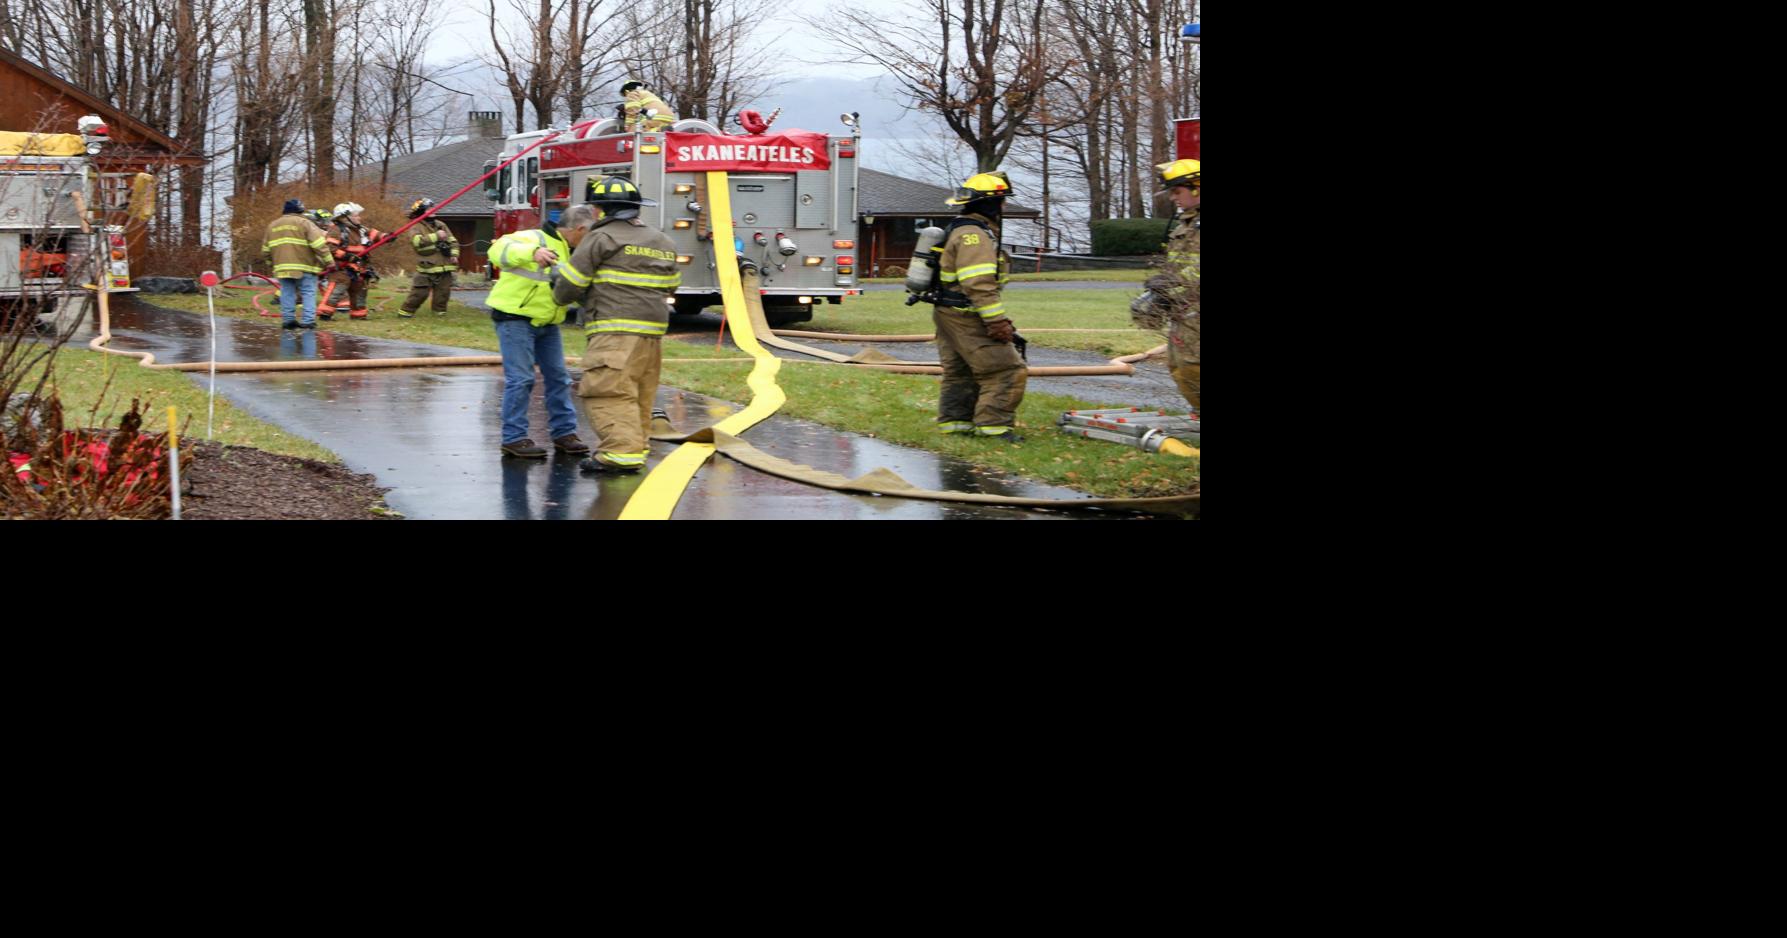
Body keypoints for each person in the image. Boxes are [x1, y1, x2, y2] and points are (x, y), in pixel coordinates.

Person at [551, 177, 680, 474]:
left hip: (614, 331)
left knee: (606, 391)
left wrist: (557, 287)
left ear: (599, 211)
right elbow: (671, 286)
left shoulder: (601, 237)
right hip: (652, 334)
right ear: (636, 208)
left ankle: (620, 454)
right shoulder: (662, 240)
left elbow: (571, 285)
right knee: (637, 392)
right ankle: (636, 447)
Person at [485, 209, 592, 458]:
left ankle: (564, 433)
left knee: (559, 378)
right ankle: (514, 438)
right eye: (588, 234)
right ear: (579, 230)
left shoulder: (571, 249)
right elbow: (497, 251)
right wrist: (532, 253)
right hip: (515, 318)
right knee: (521, 379)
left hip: (548, 322)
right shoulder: (532, 237)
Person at [932, 170, 1026, 441]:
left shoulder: (960, 229)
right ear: (992, 204)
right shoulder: (975, 236)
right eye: (1002, 202)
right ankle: (994, 428)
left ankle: (956, 425)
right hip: (966, 314)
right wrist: (996, 321)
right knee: (1006, 370)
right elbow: (979, 283)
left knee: (960, 370)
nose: (1004, 207)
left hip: (948, 312)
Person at [1153, 159, 1200, 411]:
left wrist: (1171, 285)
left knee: (1193, 365)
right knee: (1178, 367)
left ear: (1197, 188)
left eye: (1177, 191)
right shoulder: (1187, 224)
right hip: (1185, 311)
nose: (1173, 198)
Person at [260, 198, 331, 330]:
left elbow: (265, 250)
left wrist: (272, 264)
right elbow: (319, 245)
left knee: (287, 292)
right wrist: (329, 262)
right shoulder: (305, 223)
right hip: (305, 266)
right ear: (300, 211)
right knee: (308, 292)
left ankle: (288, 320)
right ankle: (308, 321)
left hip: (282, 267)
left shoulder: (273, 225)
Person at [398, 198, 458, 318]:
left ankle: (439, 315)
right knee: (420, 293)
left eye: (433, 207)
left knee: (443, 293)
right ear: (421, 211)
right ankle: (405, 313)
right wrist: (436, 236)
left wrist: (454, 255)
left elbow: (453, 241)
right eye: (429, 209)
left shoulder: (441, 225)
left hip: (445, 266)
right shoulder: (415, 226)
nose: (433, 210)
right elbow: (417, 242)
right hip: (427, 267)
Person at [323, 202, 380, 320]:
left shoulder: (361, 229)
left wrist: (386, 236)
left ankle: (358, 315)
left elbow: (375, 234)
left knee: (359, 293)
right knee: (336, 292)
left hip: (359, 268)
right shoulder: (336, 230)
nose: (359, 217)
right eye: (356, 215)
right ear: (345, 217)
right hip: (342, 269)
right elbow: (331, 248)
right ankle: (325, 314)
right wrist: (347, 256)